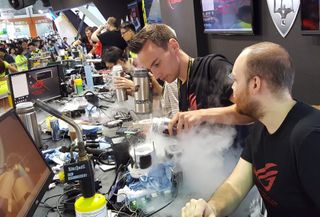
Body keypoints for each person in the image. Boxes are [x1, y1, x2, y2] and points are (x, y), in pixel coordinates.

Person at [181, 42, 320, 217]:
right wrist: (212, 209)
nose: (232, 88)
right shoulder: (260, 128)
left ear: (255, 84)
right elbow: (235, 187)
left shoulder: (310, 138)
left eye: (235, 80)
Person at [128, 23, 252, 135]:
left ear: (173, 46)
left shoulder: (213, 66)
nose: (155, 75)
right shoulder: (181, 84)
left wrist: (202, 114)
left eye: (156, 64)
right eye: (150, 69)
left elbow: (252, 109)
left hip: (237, 157)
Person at [103, 46, 179, 117]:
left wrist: (133, 85)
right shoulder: (126, 72)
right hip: (148, 111)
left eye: (111, 67)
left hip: (161, 110)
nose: (111, 71)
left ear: (119, 61)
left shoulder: (144, 68)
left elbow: (162, 93)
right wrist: (127, 91)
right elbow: (140, 94)